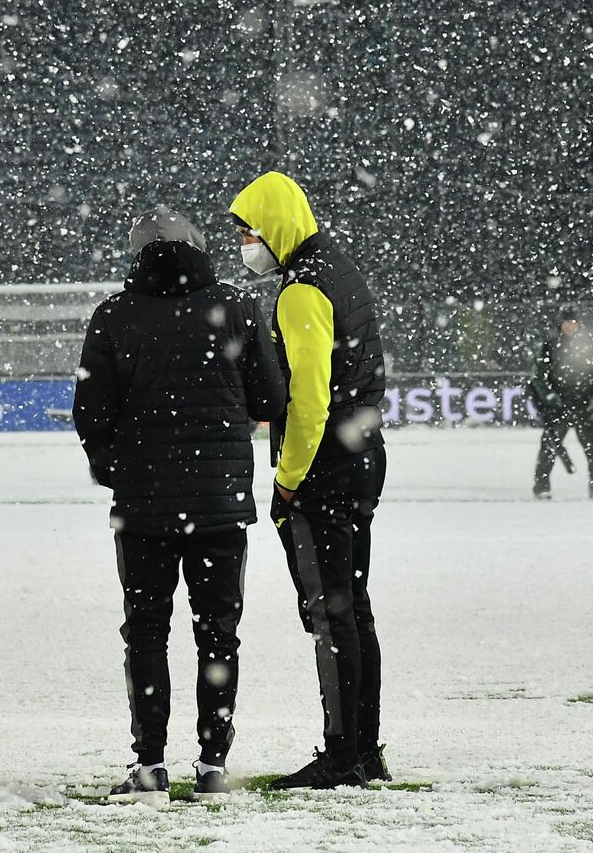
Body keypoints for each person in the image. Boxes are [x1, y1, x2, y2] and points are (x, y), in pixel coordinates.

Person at [74, 208, 285, 806]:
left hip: (143, 506)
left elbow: (91, 412)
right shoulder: (238, 307)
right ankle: (213, 763)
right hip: (219, 504)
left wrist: (115, 468)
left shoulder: (113, 315)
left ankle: (149, 764)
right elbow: (269, 396)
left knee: (146, 633)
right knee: (219, 633)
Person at [230, 171, 389, 791]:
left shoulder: (301, 290)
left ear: (276, 227)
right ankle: (365, 747)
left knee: (331, 615)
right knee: (355, 610)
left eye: (249, 229)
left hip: (324, 467)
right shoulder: (341, 269)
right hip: (363, 453)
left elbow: (308, 398)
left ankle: (341, 755)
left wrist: (288, 478)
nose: (244, 242)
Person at [529, 309, 593, 500]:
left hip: (584, 404)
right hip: (559, 406)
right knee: (549, 448)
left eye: (573, 322)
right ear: (560, 325)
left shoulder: (591, 346)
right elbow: (539, 377)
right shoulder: (549, 346)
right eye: (566, 323)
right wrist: (550, 397)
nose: (570, 326)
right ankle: (541, 487)